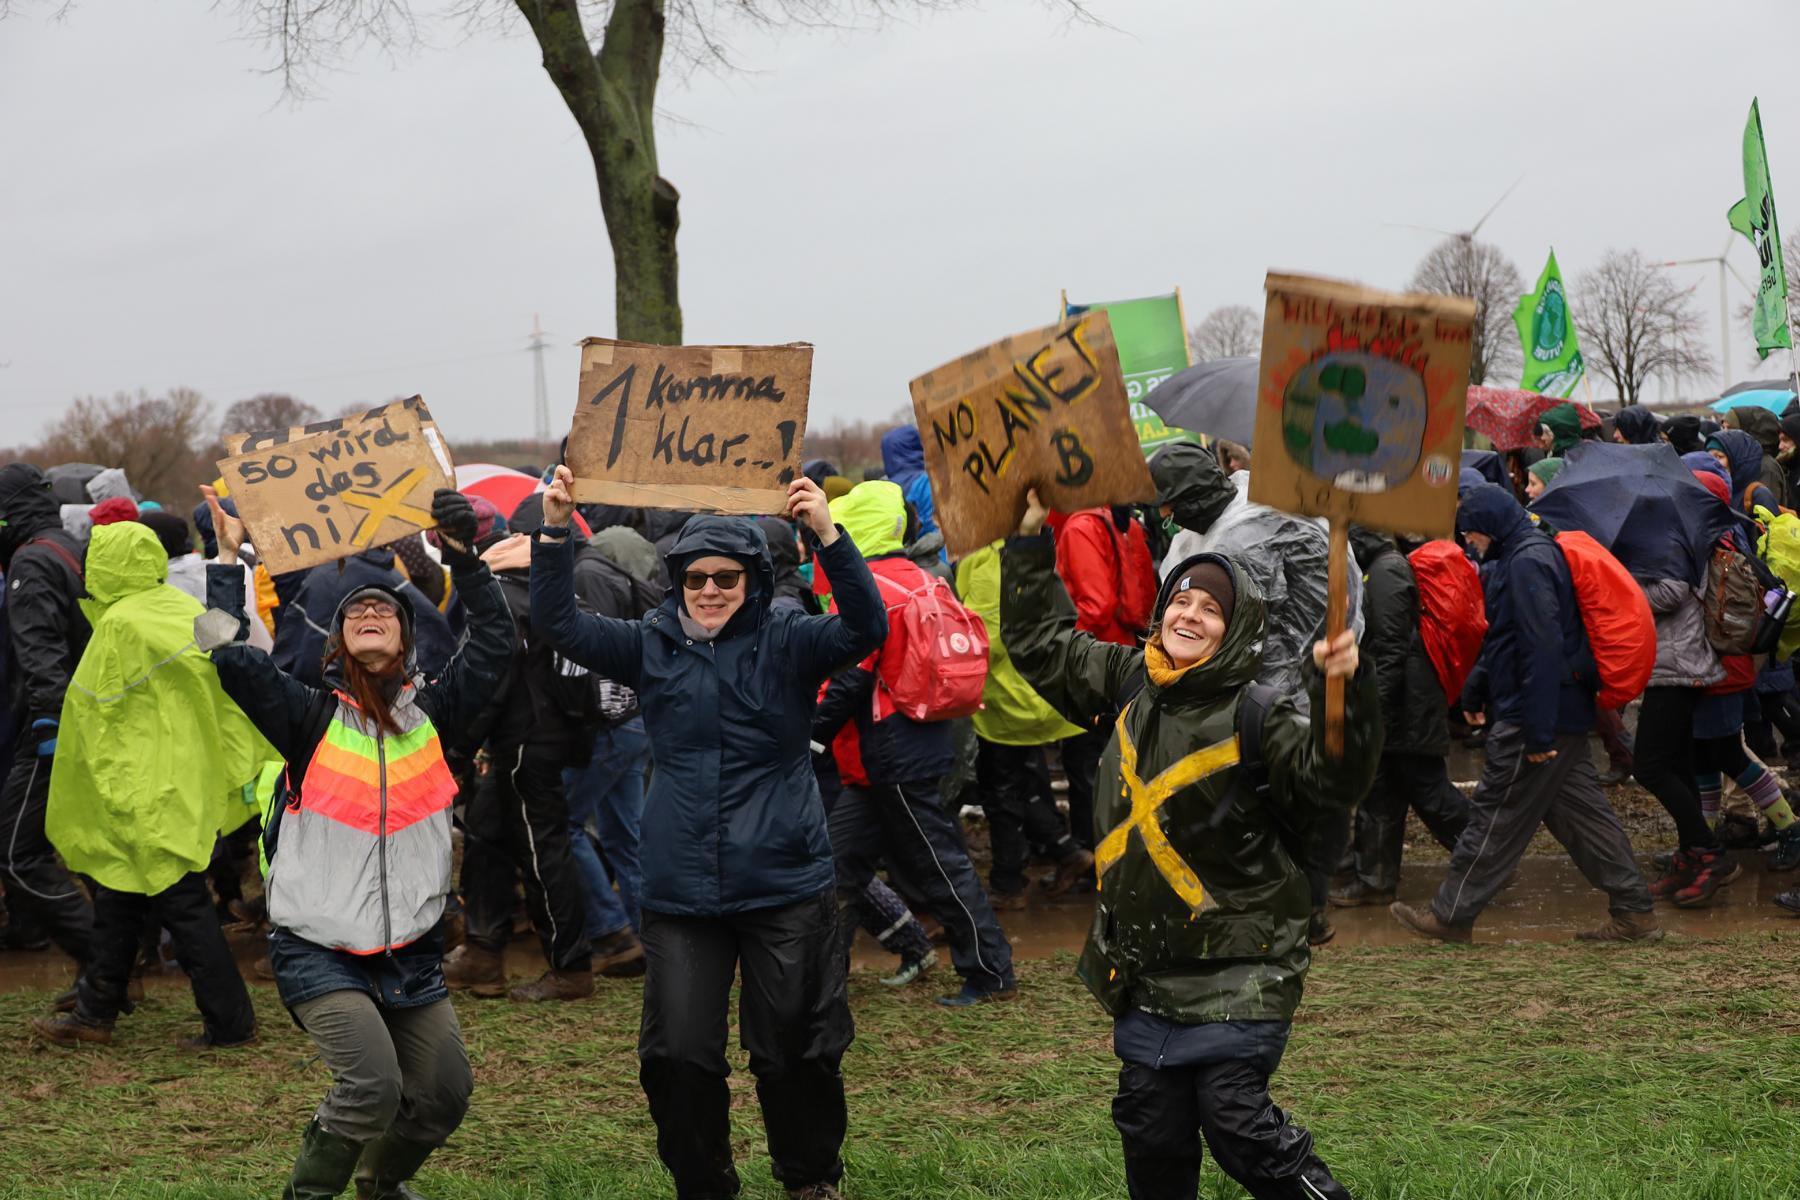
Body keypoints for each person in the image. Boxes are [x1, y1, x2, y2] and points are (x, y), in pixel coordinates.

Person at [1004, 487, 1379, 1200]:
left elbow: (1332, 785)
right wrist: (1027, 543)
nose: (1190, 614)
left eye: (1211, 610)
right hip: (1144, 966)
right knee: (1152, 1135)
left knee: (1236, 1123)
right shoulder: (1125, 684)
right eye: (1181, 600)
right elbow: (1041, 646)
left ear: (1235, 631)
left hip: (1243, 961)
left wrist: (1344, 694)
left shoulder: (1260, 713)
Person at [530, 466, 886, 1200]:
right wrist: (554, 530)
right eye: (696, 578)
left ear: (752, 580)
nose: (712, 590)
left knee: (795, 1049)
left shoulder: (787, 640)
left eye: (728, 577)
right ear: (677, 582)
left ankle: (810, 1179)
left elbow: (865, 628)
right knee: (679, 1056)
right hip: (682, 890)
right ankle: (705, 1182)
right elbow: (558, 624)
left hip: (784, 881)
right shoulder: (648, 643)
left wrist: (827, 533)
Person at [201, 486, 512, 1199]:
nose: (370, 612)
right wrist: (227, 560)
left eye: (385, 610)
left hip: (410, 950)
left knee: (443, 1095)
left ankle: (377, 1182)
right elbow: (226, 653)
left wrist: (463, 557)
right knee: (370, 1086)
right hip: (317, 947)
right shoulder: (306, 717)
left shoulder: (436, 717)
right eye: (355, 612)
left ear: (406, 637)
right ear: (337, 641)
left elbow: (496, 643)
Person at [1391, 484, 1662, 944]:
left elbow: (1541, 649)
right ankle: (1635, 912)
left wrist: (1537, 734)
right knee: (1586, 820)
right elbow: (1509, 638)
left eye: (1472, 531)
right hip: (1561, 713)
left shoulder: (1526, 563)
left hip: (1537, 718)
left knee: (1495, 815)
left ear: (1491, 525)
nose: (1469, 540)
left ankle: (1451, 915)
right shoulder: (1528, 555)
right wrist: (1477, 689)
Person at [32, 521, 265, 1049]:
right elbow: (229, 654)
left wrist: (103, 796)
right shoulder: (178, 609)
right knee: (119, 893)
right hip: (182, 780)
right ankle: (96, 1011)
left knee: (181, 902)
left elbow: (98, 722)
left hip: (144, 791)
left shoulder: (120, 628)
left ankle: (231, 1024)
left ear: (102, 570)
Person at [814, 481, 1018, 1008]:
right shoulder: (923, 579)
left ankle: (990, 972)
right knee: (839, 866)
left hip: (890, 752)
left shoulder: (866, 586)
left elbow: (851, 678)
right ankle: (820, 984)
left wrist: (810, 733)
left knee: (938, 864)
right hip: (912, 744)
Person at [1150, 441, 1362, 944]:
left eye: (1171, 505)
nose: (1167, 517)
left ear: (1195, 497)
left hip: (1286, 686)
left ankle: (1299, 909)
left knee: (1286, 802)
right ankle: (1303, 904)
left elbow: (1245, 630)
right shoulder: (1250, 494)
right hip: (1321, 673)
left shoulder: (1242, 542)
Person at [442, 527, 606, 1003]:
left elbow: (488, 686)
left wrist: (456, 749)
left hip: (524, 745)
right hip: (545, 739)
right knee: (487, 835)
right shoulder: (553, 598)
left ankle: (571, 967)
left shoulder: (503, 607)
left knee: (543, 853)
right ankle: (483, 953)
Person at [1329, 528, 1469, 907]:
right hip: (1404, 704)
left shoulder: (1387, 571)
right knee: (1384, 793)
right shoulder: (1381, 567)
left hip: (1407, 707)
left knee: (1428, 793)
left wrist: (1377, 707)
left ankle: (1486, 858)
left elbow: (1391, 648)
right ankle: (1375, 881)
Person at [955, 539, 1087, 908]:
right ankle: (1065, 852)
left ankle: (1009, 884)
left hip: (1004, 697)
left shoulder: (986, 558)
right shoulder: (1020, 549)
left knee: (1002, 791)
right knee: (1024, 782)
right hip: (1028, 691)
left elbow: (988, 635)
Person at [0, 463, 95, 976]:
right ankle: (110, 973)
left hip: (54, 727)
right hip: (89, 719)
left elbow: (41, 652)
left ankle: (102, 966)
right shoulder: (70, 546)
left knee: (16, 852)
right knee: (91, 851)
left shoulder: (32, 562)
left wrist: (48, 727)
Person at [1050, 504, 1159, 867]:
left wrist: (1057, 637)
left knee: (1085, 761)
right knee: (1120, 758)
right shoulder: (1124, 520)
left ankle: (1096, 854)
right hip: (1127, 653)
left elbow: (1095, 606)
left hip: (1095, 662)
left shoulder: (1079, 526)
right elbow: (1144, 596)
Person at [880, 425, 938, 538]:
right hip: (929, 549)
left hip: (897, 552)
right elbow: (933, 524)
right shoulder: (925, 482)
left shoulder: (883, 487)